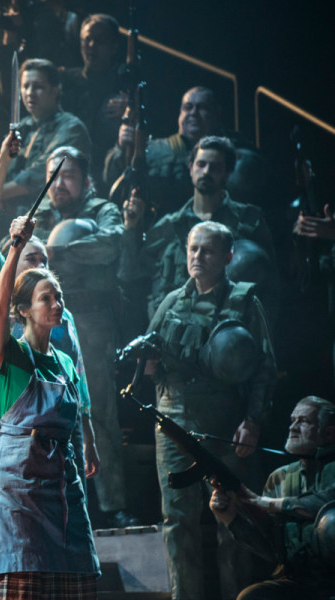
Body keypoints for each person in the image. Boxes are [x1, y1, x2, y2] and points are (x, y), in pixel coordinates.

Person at [0, 132, 100, 536]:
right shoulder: (2, 296)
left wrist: (89, 431)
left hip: (57, 426)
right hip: (10, 416)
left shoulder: (63, 314)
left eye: (43, 259)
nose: (38, 263)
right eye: (30, 257)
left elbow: (77, 374)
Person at [146, 221, 277, 600]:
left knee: (232, 517)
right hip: (173, 420)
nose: (197, 257)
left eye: (207, 251)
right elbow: (147, 360)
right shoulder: (171, 301)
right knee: (176, 521)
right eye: (192, 249)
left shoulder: (244, 302)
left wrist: (252, 421)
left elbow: (265, 368)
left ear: (228, 257)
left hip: (223, 420)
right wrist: (145, 366)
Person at [0, 218, 99, 598]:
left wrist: (87, 447)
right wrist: (16, 247)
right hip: (18, 494)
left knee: (73, 580)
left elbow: (77, 415)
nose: (56, 304)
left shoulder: (64, 361)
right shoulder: (11, 356)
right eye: (46, 297)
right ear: (24, 309)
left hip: (63, 489)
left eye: (58, 297)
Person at [26, 145, 134, 527]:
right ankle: (60, 503)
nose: (59, 184)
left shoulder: (101, 209)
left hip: (90, 321)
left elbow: (111, 243)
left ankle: (111, 505)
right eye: (53, 176)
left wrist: (60, 251)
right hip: (44, 324)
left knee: (97, 411)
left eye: (68, 175)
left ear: (86, 180)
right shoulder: (40, 215)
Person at [120, 136, 276, 319]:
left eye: (215, 167)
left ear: (227, 173)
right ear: (191, 167)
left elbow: (272, 289)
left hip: (228, 333)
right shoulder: (169, 226)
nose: (206, 172)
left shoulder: (248, 222)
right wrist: (130, 228)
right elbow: (128, 273)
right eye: (201, 164)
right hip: (175, 333)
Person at [210, 396, 335, 600]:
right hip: (297, 580)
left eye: (303, 421)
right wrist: (229, 517)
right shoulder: (280, 478)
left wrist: (265, 503)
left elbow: (321, 503)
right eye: (292, 420)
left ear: (329, 433)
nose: (293, 428)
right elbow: (271, 549)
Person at [104, 86, 267, 216]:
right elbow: (112, 178)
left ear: (217, 115)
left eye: (203, 108)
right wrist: (122, 147)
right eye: (188, 107)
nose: (193, 113)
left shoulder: (234, 152)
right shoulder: (152, 149)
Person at [0, 58, 91, 238]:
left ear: (55, 91)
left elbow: (40, 174)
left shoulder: (71, 127)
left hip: (51, 220)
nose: (30, 93)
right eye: (26, 86)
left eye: (38, 87)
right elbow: (3, 169)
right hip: (11, 215)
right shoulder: (22, 127)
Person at [60, 14, 125, 194]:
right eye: (87, 39)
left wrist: (129, 110)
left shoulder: (124, 83)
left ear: (114, 46)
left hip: (105, 168)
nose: (91, 46)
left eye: (100, 41)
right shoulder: (66, 79)